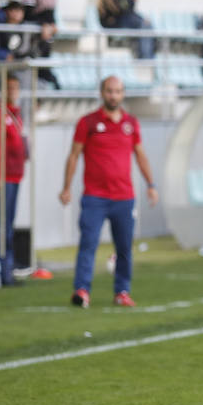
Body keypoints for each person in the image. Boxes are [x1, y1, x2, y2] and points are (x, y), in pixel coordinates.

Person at [59, 76, 159, 308]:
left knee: (124, 248)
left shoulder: (131, 124)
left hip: (124, 197)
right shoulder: (88, 123)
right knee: (88, 244)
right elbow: (73, 156)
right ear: (102, 93)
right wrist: (66, 187)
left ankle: (122, 291)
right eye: (109, 91)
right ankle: (82, 290)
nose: (113, 95)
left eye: (118, 91)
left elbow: (140, 155)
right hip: (95, 197)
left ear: (123, 94)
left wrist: (151, 185)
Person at [0, 75, 26, 285]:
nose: (13, 92)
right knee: (1, 223)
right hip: (4, 177)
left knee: (8, 223)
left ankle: (7, 269)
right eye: (9, 87)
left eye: (16, 88)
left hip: (15, 174)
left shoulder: (15, 114)